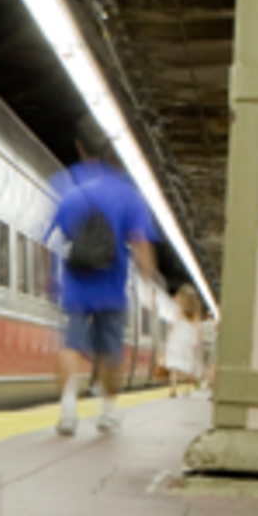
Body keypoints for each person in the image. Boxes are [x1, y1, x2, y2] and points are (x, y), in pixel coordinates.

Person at [51, 138, 158, 435]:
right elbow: (140, 244)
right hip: (111, 288)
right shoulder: (130, 197)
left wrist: (46, 279)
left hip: (74, 283)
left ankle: (68, 411)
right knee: (111, 352)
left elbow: (51, 236)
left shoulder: (71, 192)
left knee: (70, 345)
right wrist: (148, 279)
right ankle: (109, 414)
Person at [164, 284, 208, 397]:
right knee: (188, 363)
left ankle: (173, 388)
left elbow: (173, 322)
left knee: (174, 366)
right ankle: (188, 386)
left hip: (177, 337)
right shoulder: (195, 311)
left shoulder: (179, 308)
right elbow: (197, 326)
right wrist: (197, 340)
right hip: (188, 338)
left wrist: (168, 336)